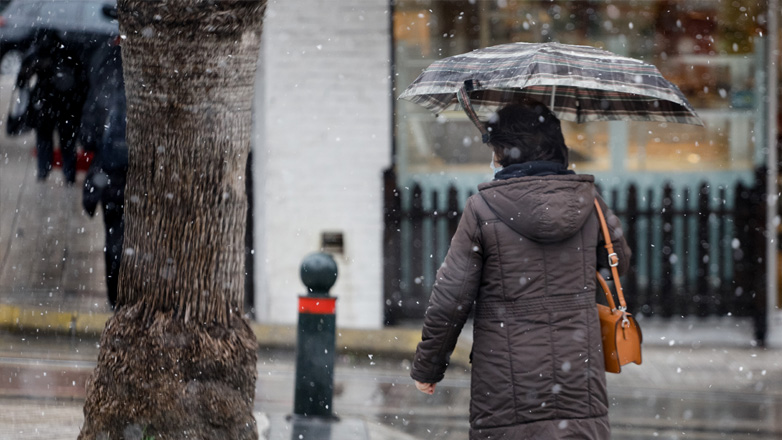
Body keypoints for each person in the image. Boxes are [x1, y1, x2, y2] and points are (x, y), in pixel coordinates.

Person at [411, 100, 632, 439]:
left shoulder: (482, 208)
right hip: (577, 377)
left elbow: (451, 296)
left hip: (505, 386)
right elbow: (619, 262)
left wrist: (429, 366)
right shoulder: (590, 201)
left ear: (506, 152)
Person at [82, 41, 127, 309]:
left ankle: (116, 299)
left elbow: (87, 136)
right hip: (138, 176)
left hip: (110, 176)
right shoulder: (152, 71)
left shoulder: (105, 67)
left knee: (114, 239)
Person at [15, 29, 89, 183]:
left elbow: (22, 79)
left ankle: (44, 172)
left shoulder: (40, 51)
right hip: (67, 105)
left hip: (46, 104)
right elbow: (82, 79)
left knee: (45, 139)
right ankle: (68, 175)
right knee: (66, 141)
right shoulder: (72, 48)